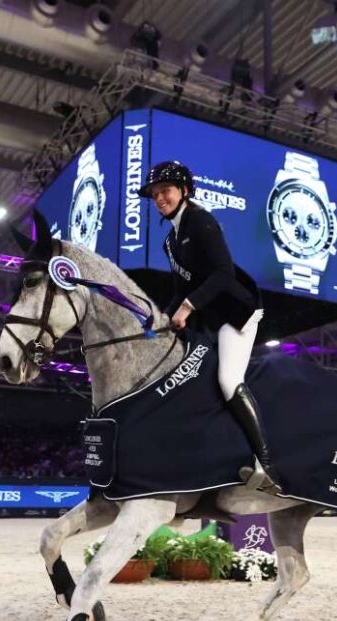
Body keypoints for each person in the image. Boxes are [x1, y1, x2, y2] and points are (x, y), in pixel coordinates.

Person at [138, 160, 280, 493]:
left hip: (236, 313)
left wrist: (187, 307)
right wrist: (159, 320)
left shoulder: (202, 221)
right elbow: (179, 291)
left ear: (184, 191)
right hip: (208, 317)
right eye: (155, 194)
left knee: (229, 379)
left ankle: (267, 464)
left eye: (166, 191)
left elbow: (223, 275)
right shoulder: (170, 242)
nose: (160, 198)